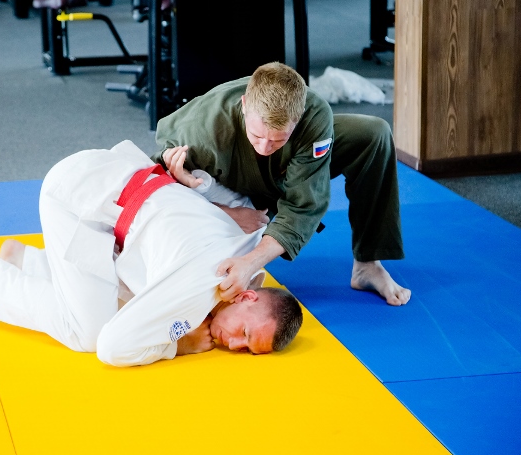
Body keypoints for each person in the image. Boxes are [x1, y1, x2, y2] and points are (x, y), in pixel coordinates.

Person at [0, 140, 303, 367]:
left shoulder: (250, 251)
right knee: (90, 333)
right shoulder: (200, 288)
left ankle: (28, 262)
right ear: (249, 297)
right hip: (76, 200)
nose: (234, 343)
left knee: (139, 294)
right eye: (244, 332)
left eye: (245, 348)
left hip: (112, 177)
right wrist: (177, 344)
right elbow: (113, 348)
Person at [153, 62, 411, 307]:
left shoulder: (314, 114)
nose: (265, 147)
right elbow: (152, 186)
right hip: (233, 184)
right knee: (178, 189)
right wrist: (227, 213)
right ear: (244, 105)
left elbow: (304, 205)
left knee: (373, 134)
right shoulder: (203, 128)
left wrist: (250, 263)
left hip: (288, 170)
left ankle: (368, 264)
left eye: (277, 139)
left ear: (298, 117)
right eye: (257, 135)